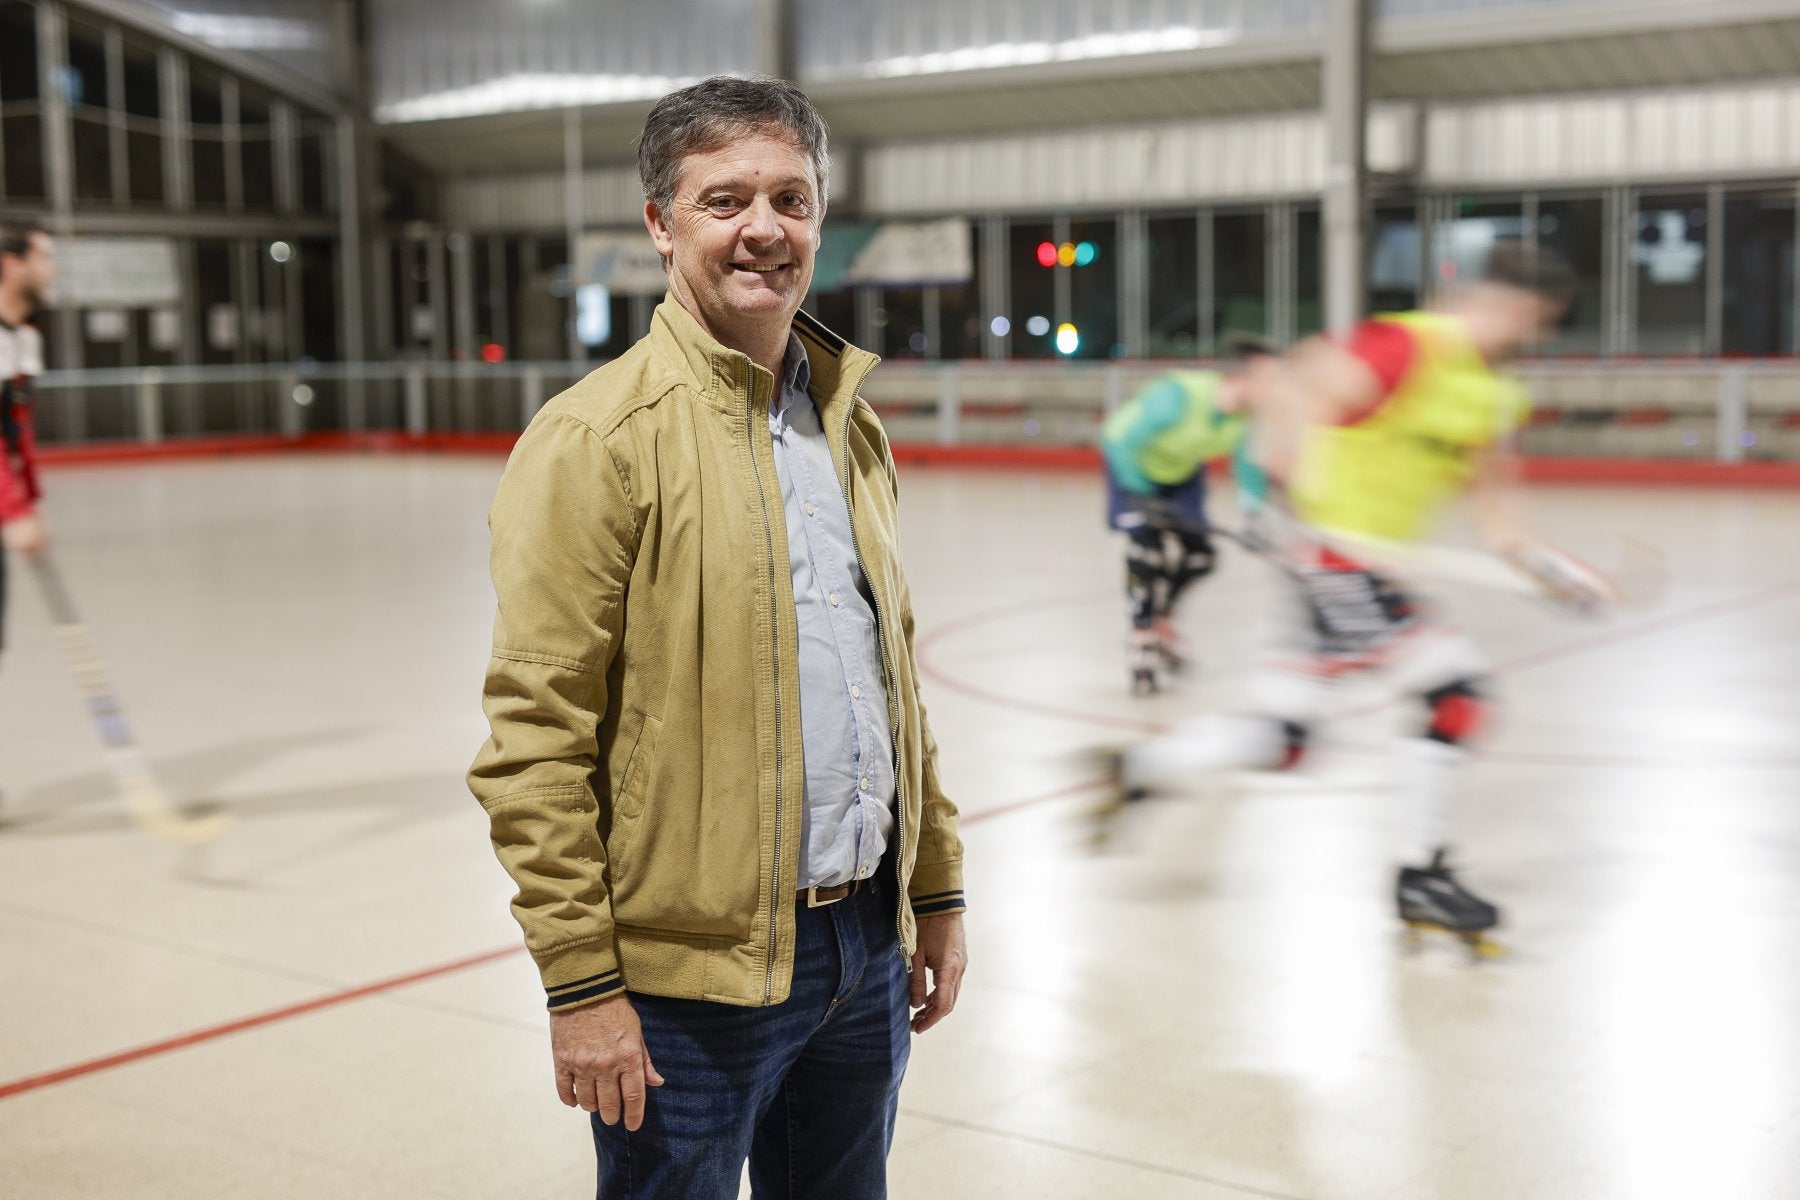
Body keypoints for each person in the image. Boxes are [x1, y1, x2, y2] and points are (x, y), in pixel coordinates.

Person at [468, 76, 968, 1199]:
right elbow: (532, 741)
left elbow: (895, 686)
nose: (763, 229)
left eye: (791, 199)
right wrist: (582, 985)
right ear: (661, 223)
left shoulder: (848, 420)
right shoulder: (596, 439)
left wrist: (933, 890)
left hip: (864, 956)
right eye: (725, 199)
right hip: (683, 988)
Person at [1091, 242, 1614, 953]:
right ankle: (1421, 875)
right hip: (1329, 550)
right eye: (1528, 322)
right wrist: (1281, 494)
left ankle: (1146, 767)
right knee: (1455, 695)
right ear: (1510, 306)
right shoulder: (1406, 345)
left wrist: (1556, 572)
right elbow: (1298, 386)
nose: (1527, 338)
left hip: (1370, 565)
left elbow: (1497, 515)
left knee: (1291, 741)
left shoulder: (1492, 393)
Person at [1099, 334, 1279, 693]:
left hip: (1181, 475)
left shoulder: (1245, 418)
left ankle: (1162, 619)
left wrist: (1254, 517)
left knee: (1201, 556)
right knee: (1146, 552)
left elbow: (1247, 467)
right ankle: (1143, 637)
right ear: (1241, 378)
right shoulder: (1178, 397)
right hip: (1132, 467)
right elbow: (1120, 442)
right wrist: (1138, 494)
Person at [0, 220, 54, 656]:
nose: (52, 270)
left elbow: (15, 431)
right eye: (45, 257)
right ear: (11, 264)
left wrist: (28, 504)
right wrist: (13, 509)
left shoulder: (25, 340)